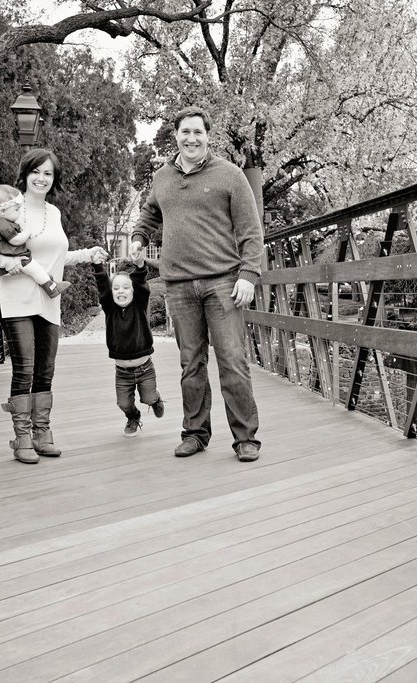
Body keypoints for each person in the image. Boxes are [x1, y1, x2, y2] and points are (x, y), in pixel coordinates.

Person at [128, 105, 264, 462]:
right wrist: (140, 235)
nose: (191, 138)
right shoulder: (162, 177)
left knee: (233, 360)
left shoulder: (230, 175)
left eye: (198, 132)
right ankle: (195, 433)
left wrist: (249, 274)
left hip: (223, 283)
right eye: (185, 132)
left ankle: (245, 438)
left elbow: (251, 232)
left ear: (208, 136)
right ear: (176, 135)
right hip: (179, 286)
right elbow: (151, 210)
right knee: (191, 363)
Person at [0, 148, 109, 464]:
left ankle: (42, 432)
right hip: (17, 298)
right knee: (26, 368)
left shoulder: (54, 214)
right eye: (36, 171)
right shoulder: (9, 208)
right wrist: (6, 261)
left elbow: (54, 258)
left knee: (46, 370)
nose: (42, 178)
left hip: (48, 299)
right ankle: (21, 438)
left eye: (48, 173)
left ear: (53, 178)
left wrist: (87, 254)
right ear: (26, 174)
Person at [92, 248, 165, 438]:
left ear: (133, 290)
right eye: (116, 288)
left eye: (125, 287)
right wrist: (98, 265)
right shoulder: (110, 308)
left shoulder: (139, 304)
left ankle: (156, 399)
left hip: (145, 367)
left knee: (148, 397)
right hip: (122, 371)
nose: (120, 291)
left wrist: (140, 266)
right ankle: (133, 417)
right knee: (123, 403)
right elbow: (102, 286)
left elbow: (141, 283)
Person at [0, 183, 69, 298]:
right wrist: (27, 232)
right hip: (14, 260)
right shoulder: (4, 226)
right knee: (33, 268)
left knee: (36, 269)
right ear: (3, 211)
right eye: (16, 210)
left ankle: (48, 280)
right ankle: (52, 288)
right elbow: (16, 240)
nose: (19, 212)